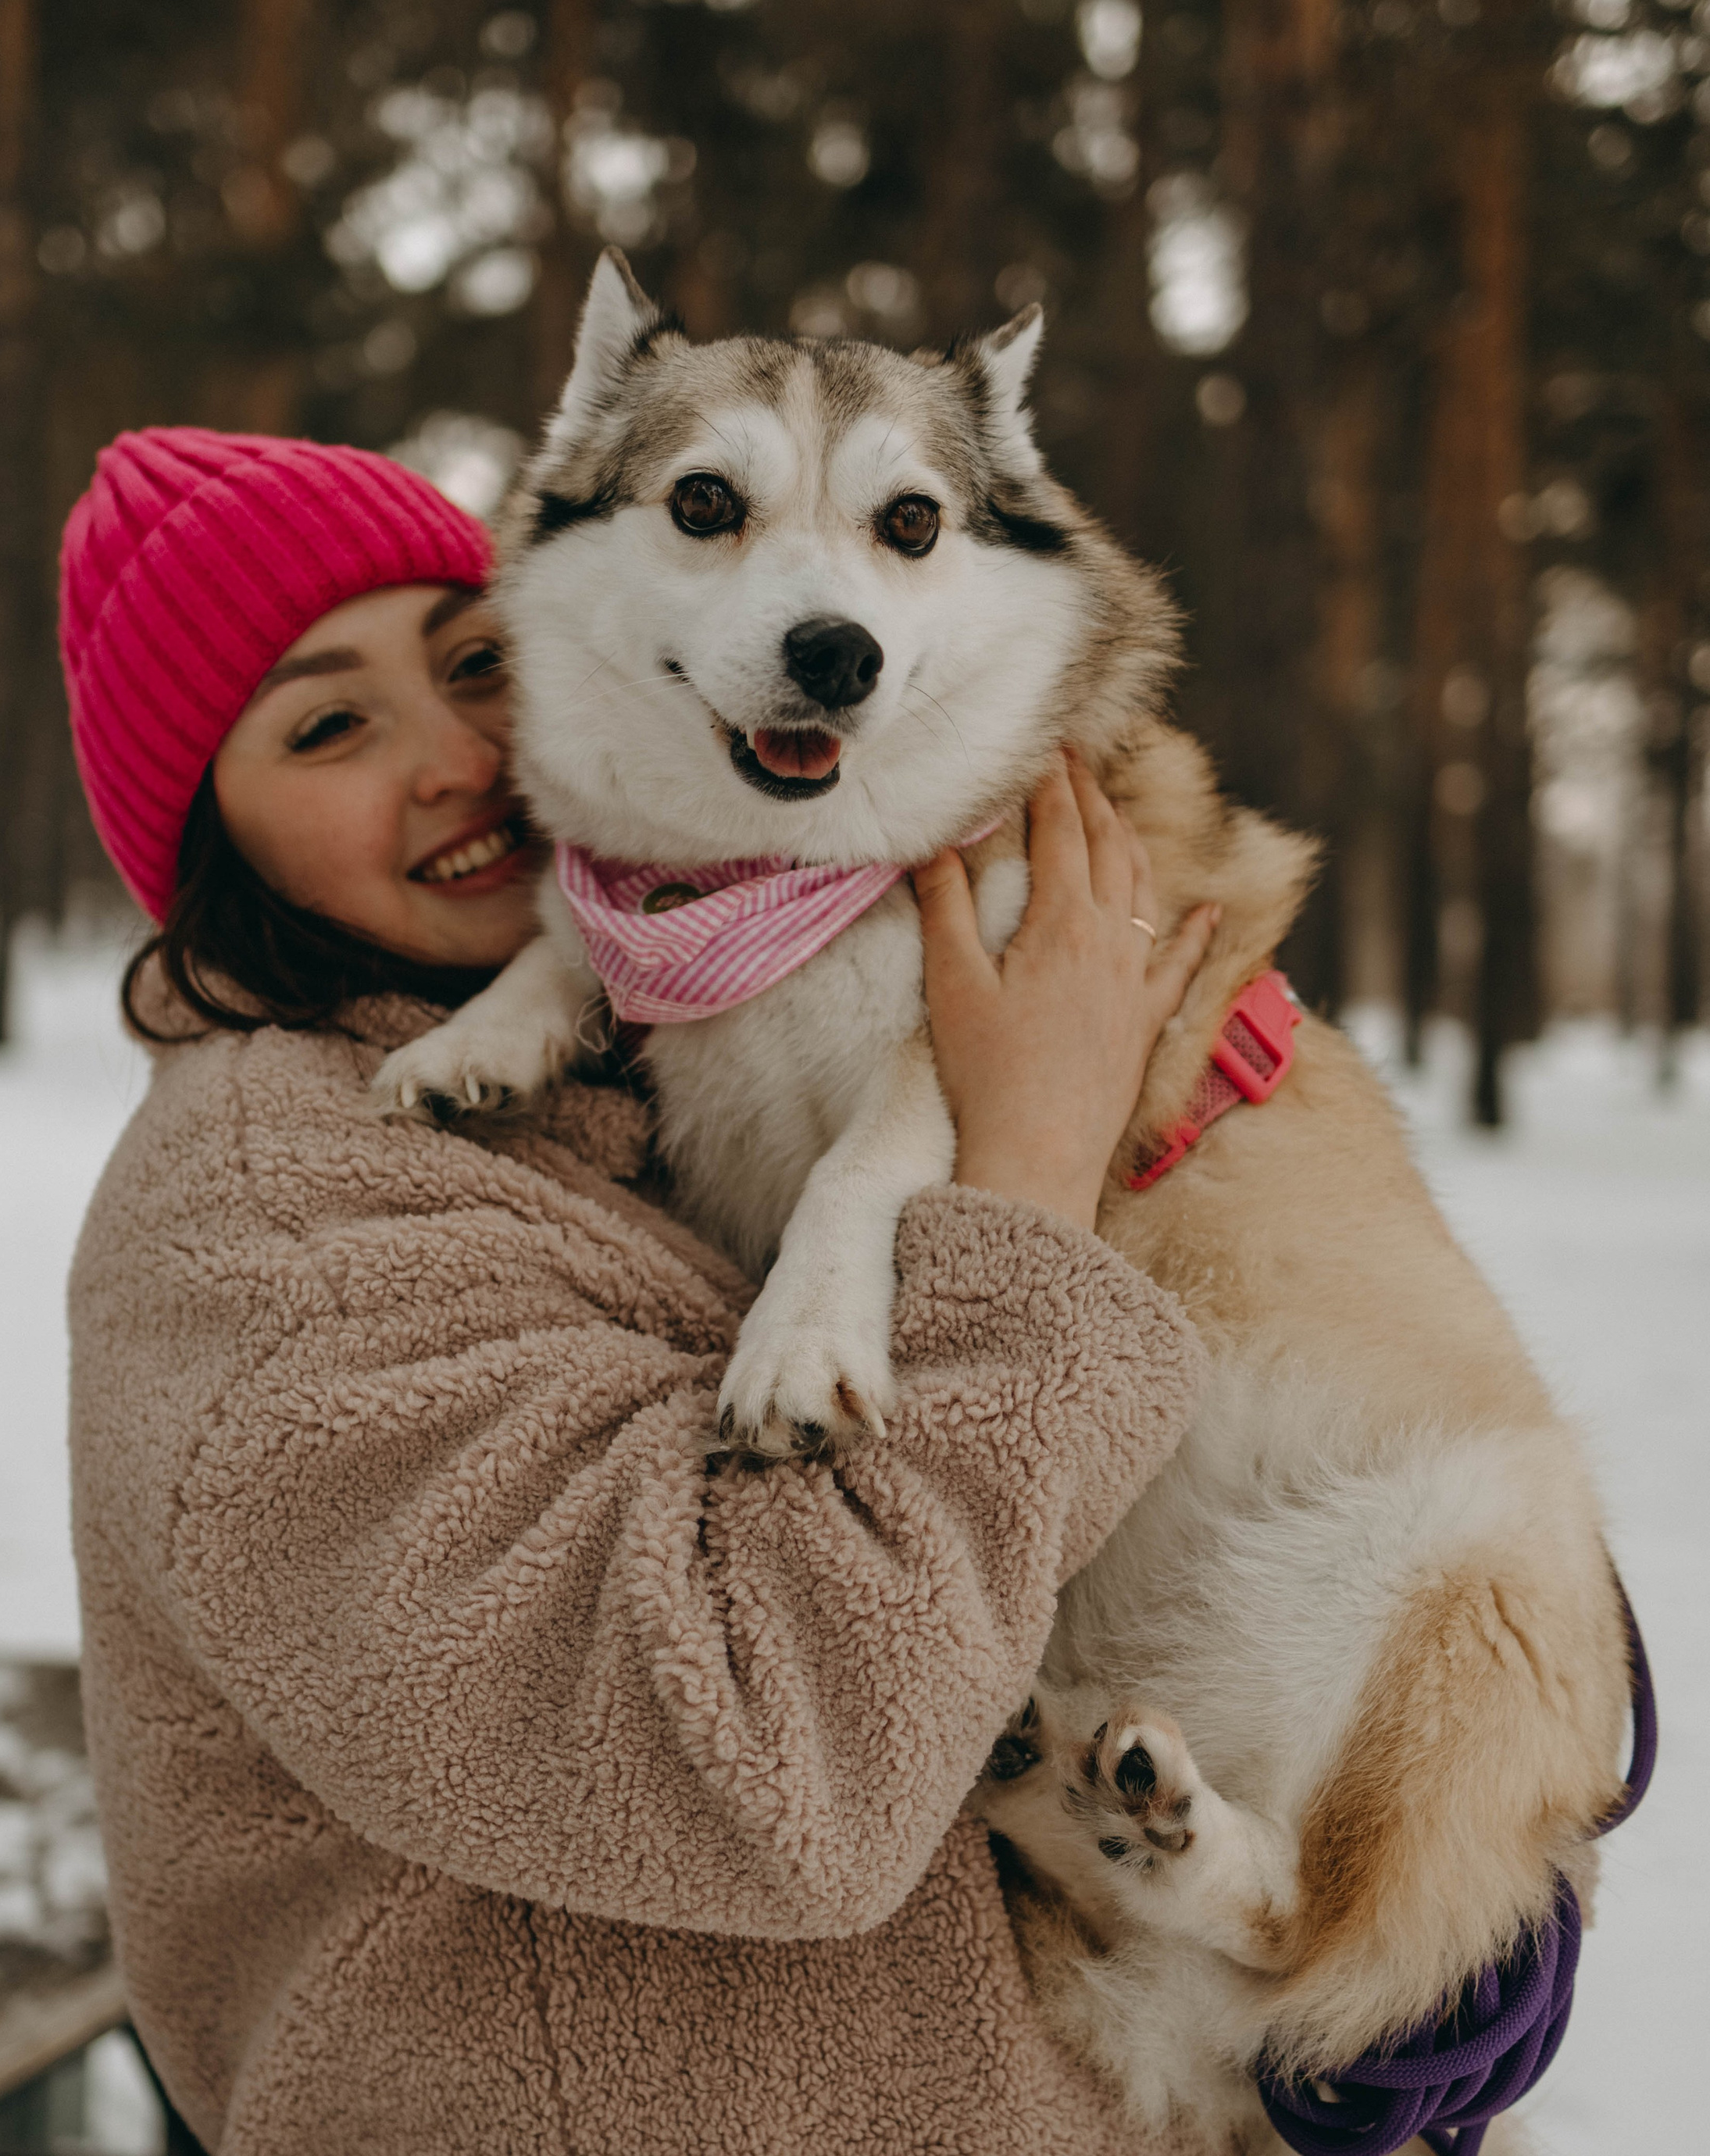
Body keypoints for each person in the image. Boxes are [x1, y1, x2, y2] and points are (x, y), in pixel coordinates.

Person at [61, 427, 1218, 2156]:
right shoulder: (274, 1224)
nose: (461, 754)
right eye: (327, 725)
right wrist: (1028, 1167)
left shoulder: (634, 1071)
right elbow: (774, 1772)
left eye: (469, 664)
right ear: (203, 844)